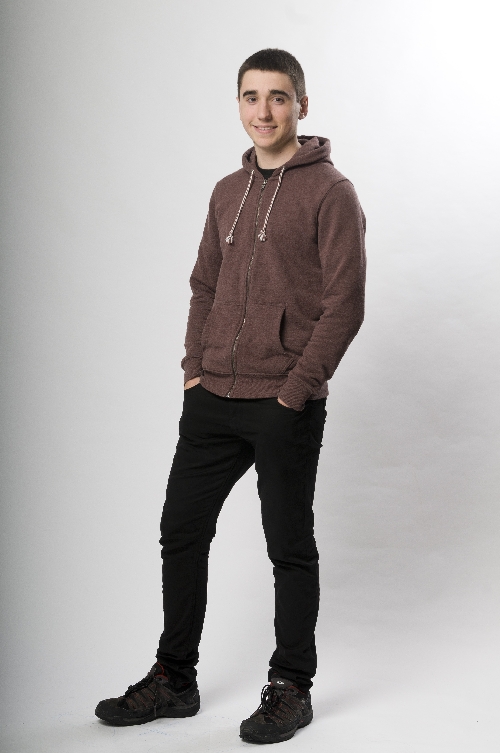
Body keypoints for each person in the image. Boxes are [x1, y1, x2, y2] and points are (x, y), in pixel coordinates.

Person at [95, 48, 366, 744]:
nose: (263, 111)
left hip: (283, 400)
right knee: (181, 529)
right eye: (251, 97)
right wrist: (195, 366)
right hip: (213, 394)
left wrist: (297, 390)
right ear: (239, 104)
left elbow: (345, 303)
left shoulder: (331, 192)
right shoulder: (226, 190)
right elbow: (204, 285)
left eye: (278, 97)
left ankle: (291, 686)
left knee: (288, 546)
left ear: (301, 104)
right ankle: (174, 678)